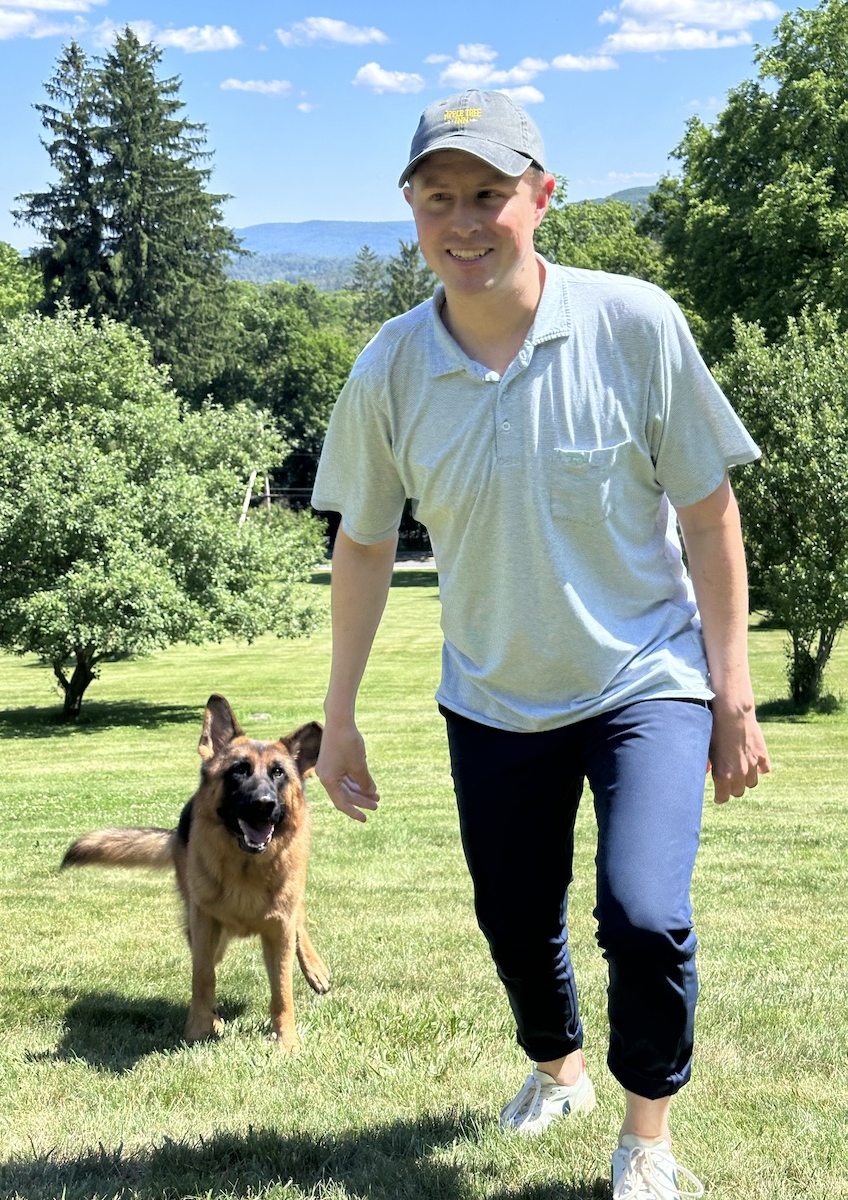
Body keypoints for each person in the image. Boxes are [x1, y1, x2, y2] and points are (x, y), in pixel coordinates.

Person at [311, 89, 770, 1200]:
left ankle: (648, 1138)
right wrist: (340, 713)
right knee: (515, 917)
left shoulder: (634, 324)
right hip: (494, 693)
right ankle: (555, 1067)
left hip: (642, 678)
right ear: (411, 213)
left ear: (542, 197)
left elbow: (708, 513)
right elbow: (366, 545)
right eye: (440, 199)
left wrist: (733, 693)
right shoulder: (389, 369)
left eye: (489, 194)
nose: (465, 222)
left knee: (645, 913)